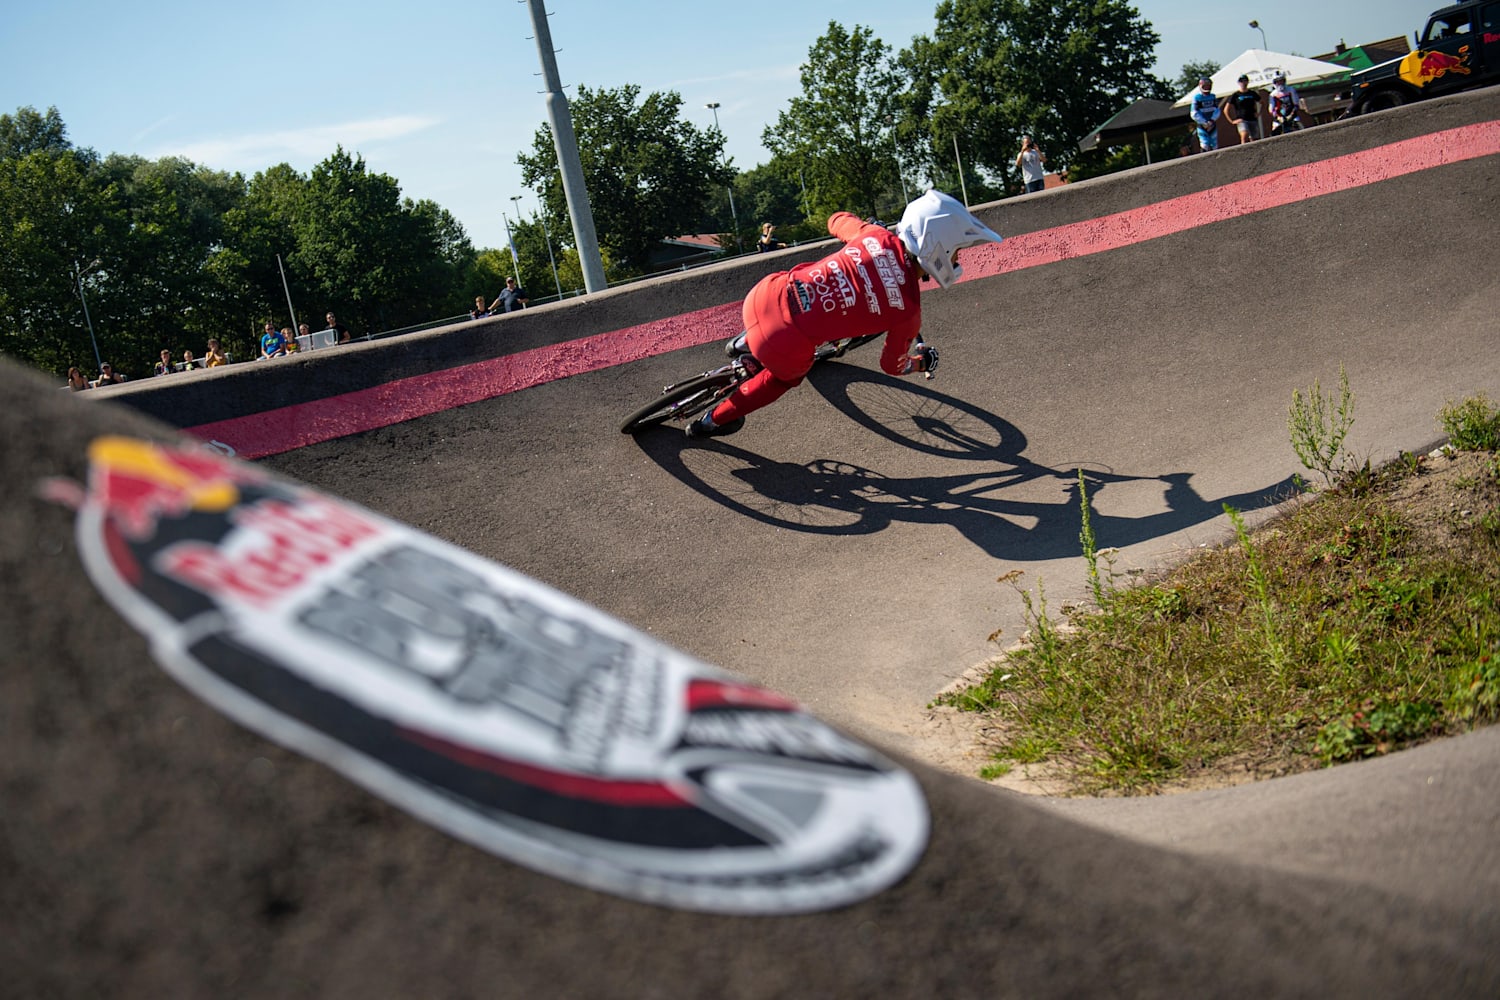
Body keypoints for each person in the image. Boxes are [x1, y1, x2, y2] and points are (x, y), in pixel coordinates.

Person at [684, 189, 1002, 439]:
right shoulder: (908, 311)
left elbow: (835, 219)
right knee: (784, 379)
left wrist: (867, 227)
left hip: (761, 295)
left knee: (794, 288)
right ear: (939, 248)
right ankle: (711, 422)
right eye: (958, 250)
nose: (958, 257)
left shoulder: (876, 237)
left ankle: (744, 345)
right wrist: (920, 363)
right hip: (784, 342)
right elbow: (892, 366)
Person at [1223, 75, 1263, 143]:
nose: (1243, 83)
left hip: (1252, 118)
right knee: (1244, 135)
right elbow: (1225, 110)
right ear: (1239, 83)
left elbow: (1262, 103)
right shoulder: (1236, 95)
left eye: (1245, 81)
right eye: (1241, 81)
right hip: (1242, 119)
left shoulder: (1252, 93)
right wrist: (1232, 121)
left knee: (1254, 138)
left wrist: (1259, 113)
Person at [1189, 76, 1221, 151]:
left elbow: (1217, 110)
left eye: (1208, 86)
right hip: (1202, 125)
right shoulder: (1197, 98)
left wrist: (1212, 120)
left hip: (1212, 124)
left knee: (1215, 144)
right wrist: (1204, 122)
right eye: (1205, 86)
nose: (1206, 88)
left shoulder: (1213, 97)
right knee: (1204, 144)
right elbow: (1194, 112)